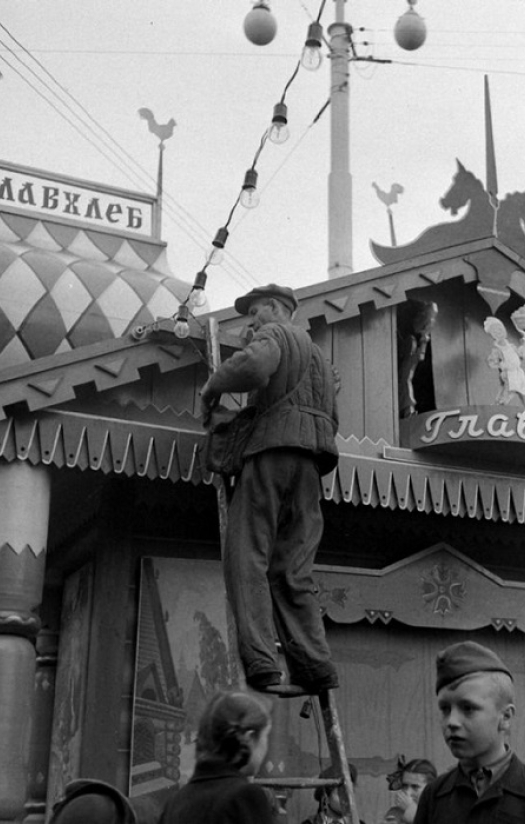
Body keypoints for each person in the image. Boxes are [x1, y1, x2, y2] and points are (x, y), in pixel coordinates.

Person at [200, 284, 339, 694]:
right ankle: (314, 667)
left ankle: (261, 662)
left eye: (256, 312)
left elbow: (254, 368)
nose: (251, 321)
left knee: (246, 555)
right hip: (312, 465)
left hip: (272, 454)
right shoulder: (319, 356)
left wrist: (212, 387)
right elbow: (333, 416)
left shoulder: (275, 334)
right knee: (293, 569)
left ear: (277, 309)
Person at [413, 640, 525, 824]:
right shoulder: (434, 796)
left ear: (505, 717)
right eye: (445, 709)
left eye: (468, 708)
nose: (452, 722)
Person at [159, 690, 276, 824]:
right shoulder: (245, 796)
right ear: (249, 738)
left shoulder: (175, 802)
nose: (266, 746)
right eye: (265, 736)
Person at [385, 757, 437, 823]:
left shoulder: (442, 812)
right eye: (404, 786)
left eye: (415, 787)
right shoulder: (395, 813)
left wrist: (412, 811)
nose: (408, 792)